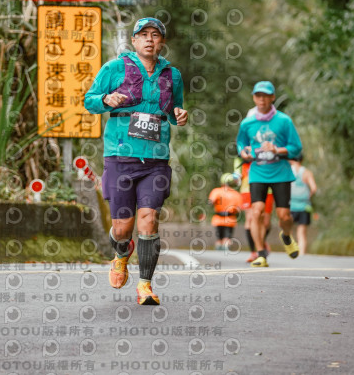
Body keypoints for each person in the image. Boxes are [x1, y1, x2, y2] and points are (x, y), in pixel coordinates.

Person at [84, 17, 188, 305]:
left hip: (156, 159)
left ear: (162, 42)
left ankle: (145, 285)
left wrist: (180, 115)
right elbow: (89, 100)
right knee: (122, 227)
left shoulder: (172, 75)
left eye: (155, 35)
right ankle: (120, 254)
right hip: (120, 156)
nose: (149, 39)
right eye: (144, 34)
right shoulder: (114, 68)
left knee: (149, 220)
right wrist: (105, 100)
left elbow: (175, 110)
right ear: (134, 40)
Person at [236, 80, 303, 267]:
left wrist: (277, 150)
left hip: (280, 172)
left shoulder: (284, 121)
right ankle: (260, 253)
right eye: (258, 95)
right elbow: (240, 143)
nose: (262, 99)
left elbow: (296, 147)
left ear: (272, 97)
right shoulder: (247, 123)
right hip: (258, 172)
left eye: (266, 96)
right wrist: (243, 152)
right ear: (254, 98)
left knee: (284, 216)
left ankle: (286, 235)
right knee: (256, 212)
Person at [234, 157, 273, 262]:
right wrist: (235, 178)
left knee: (265, 221)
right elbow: (236, 174)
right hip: (247, 190)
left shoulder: (264, 153)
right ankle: (254, 252)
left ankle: (261, 242)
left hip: (267, 189)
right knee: (250, 218)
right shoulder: (240, 157)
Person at [289, 154, 317, 255]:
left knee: (288, 230)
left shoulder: (288, 171)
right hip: (304, 205)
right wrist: (308, 196)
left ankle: (291, 250)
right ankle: (302, 253)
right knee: (301, 232)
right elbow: (314, 188)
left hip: (290, 205)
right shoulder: (307, 172)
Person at [208, 173, 242, 250]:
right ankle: (225, 245)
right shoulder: (236, 194)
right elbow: (239, 208)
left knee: (219, 239)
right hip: (230, 219)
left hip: (218, 219)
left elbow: (211, 202)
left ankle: (220, 246)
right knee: (227, 238)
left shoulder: (216, 191)